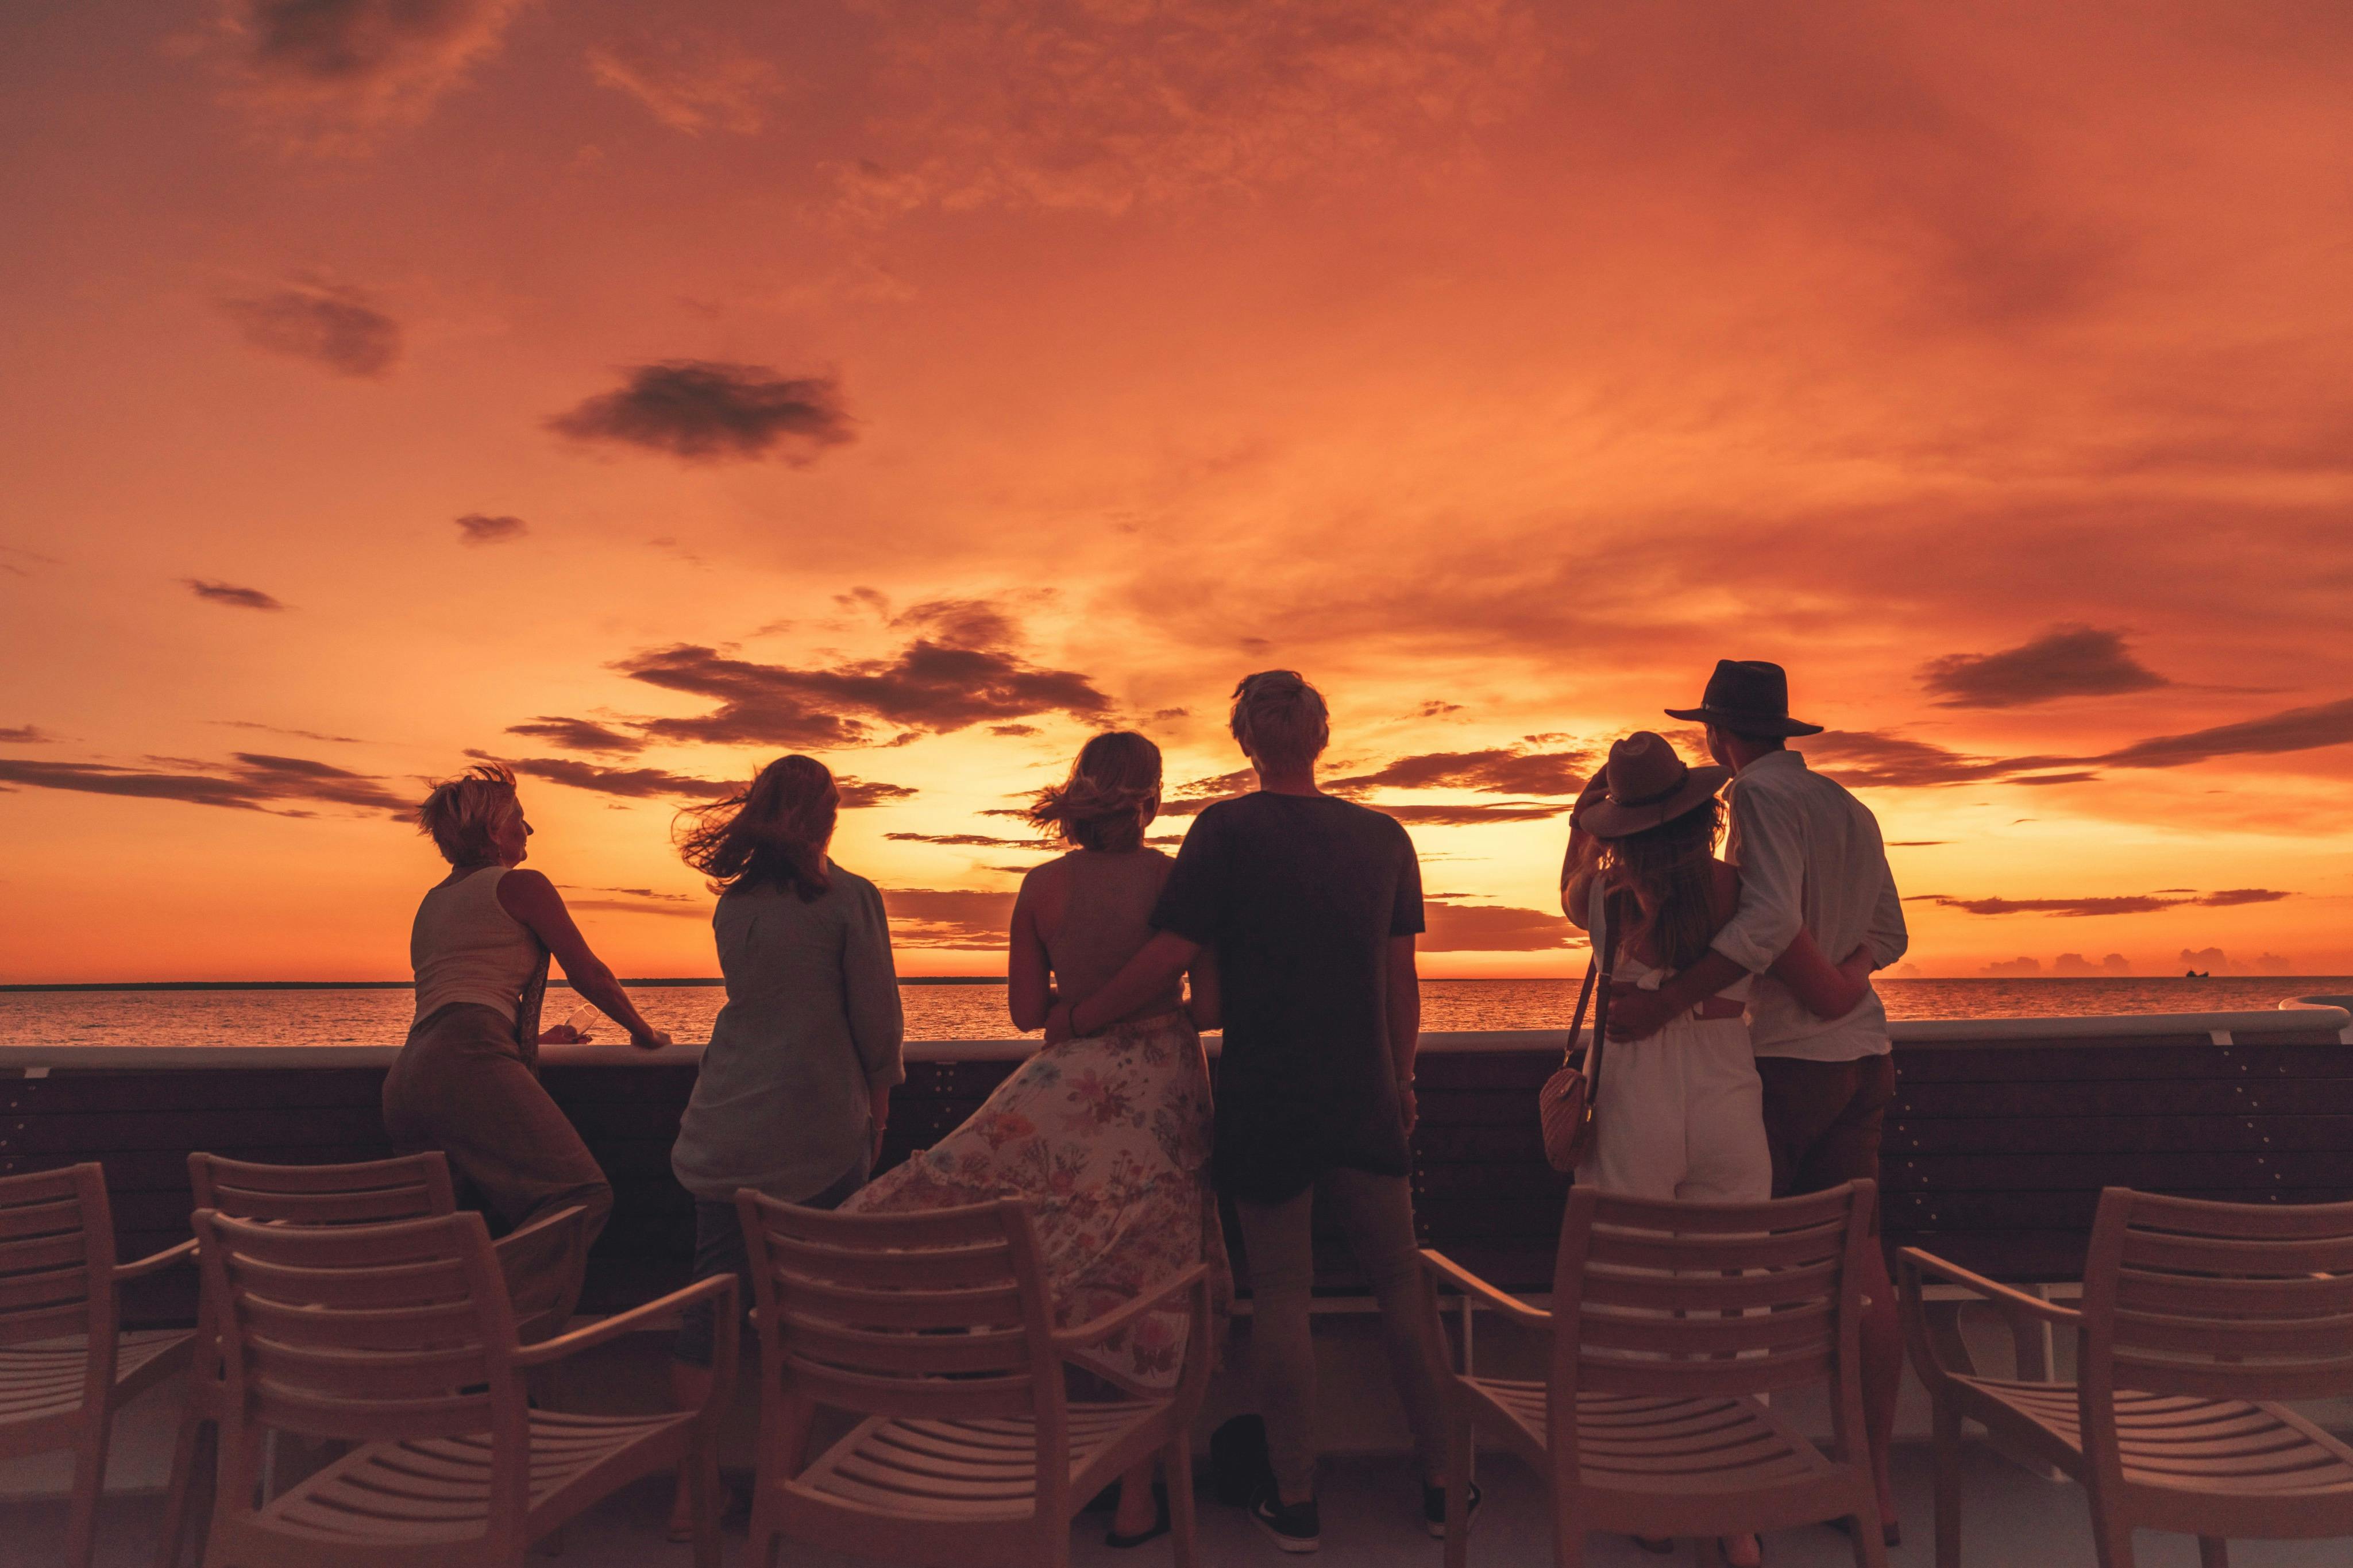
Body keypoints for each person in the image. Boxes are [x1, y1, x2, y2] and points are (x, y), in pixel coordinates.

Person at [1048, 671, 1459, 1554]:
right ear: (1321, 737)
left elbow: (1170, 953)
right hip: (1363, 1093)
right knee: (1401, 1284)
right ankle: (1442, 1484)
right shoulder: (1385, 837)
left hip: (1267, 1094)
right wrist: (1405, 1080)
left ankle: (1298, 1498)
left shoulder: (1224, 830)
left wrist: (1080, 1015)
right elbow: (1399, 982)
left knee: (1282, 1292)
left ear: (1245, 742)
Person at [843, 731, 1224, 1551]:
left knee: (1034, 1265)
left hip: (1062, 1088)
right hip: (1161, 1092)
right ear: (1153, 799)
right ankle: (1133, 1500)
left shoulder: (1043, 886)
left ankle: (1036, 1465)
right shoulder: (1176, 881)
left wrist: (1082, 994)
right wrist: (1153, 995)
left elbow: (1024, 1010)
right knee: (1148, 1285)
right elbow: (1213, 1007)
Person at [1606, 660, 1910, 1544]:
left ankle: (1726, 1488)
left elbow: (1766, 920)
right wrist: (1849, 986)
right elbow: (1890, 933)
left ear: (1719, 736)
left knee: (1729, 1283)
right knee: (1864, 1274)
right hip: (1863, 1057)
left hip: (1784, 1062)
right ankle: (1876, 1485)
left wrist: (1667, 1001)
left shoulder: (1757, 802)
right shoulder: (1851, 808)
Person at [1559, 732, 1872, 1568]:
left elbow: (1569, 883)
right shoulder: (1742, 890)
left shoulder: (1607, 898)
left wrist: (1584, 819)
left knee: (1635, 1303)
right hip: (1729, 1092)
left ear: (1623, 825)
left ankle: (1655, 1496)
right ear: (1703, 817)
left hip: (1637, 1093)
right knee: (1733, 1304)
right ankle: (1737, 1513)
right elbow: (1796, 942)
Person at [663, 755, 904, 1540]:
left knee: (710, 1308)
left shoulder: (735, 906)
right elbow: (875, 1020)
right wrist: (878, 1103)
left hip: (726, 1120)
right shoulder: (850, 899)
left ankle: (690, 1497)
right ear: (828, 817)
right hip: (813, 1130)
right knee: (801, 1320)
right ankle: (779, 1492)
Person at [386, 763, 670, 1302]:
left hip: (411, 1074)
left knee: (455, 1226)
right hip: (467, 1061)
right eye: (520, 819)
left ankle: (446, 1344)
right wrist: (644, 1032)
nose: (529, 830)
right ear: (495, 833)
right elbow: (590, 973)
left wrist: (532, 1045)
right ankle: (481, 1314)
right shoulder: (521, 886)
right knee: (581, 1197)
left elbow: (457, 1000)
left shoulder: (433, 903)